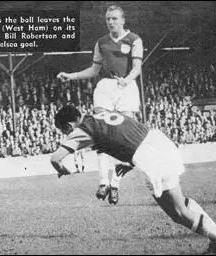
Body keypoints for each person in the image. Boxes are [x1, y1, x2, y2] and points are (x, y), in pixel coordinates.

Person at [50, 104, 216, 254]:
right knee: (180, 201)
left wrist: (62, 169)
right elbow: (120, 134)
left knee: (178, 213)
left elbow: (56, 158)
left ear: (69, 125)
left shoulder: (82, 129)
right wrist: (128, 161)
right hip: (155, 139)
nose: (66, 134)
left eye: (64, 130)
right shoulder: (99, 112)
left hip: (148, 155)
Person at [56, 5, 142, 205]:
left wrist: (127, 80)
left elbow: (137, 67)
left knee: (126, 137)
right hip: (105, 87)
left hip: (126, 88)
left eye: (114, 18)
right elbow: (94, 70)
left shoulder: (134, 40)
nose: (110, 22)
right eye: (108, 19)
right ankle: (103, 182)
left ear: (122, 20)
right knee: (101, 134)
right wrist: (71, 76)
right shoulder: (101, 42)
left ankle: (115, 184)